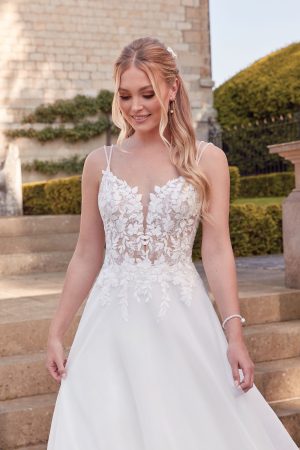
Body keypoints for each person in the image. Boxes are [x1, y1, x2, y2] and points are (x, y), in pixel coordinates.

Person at [46, 37, 298, 449]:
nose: (135, 106)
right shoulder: (99, 164)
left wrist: (234, 335)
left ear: (172, 88)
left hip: (180, 319)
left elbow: (216, 251)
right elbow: (87, 254)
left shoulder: (207, 160)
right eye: (125, 95)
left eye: (147, 93)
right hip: (110, 323)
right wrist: (57, 330)